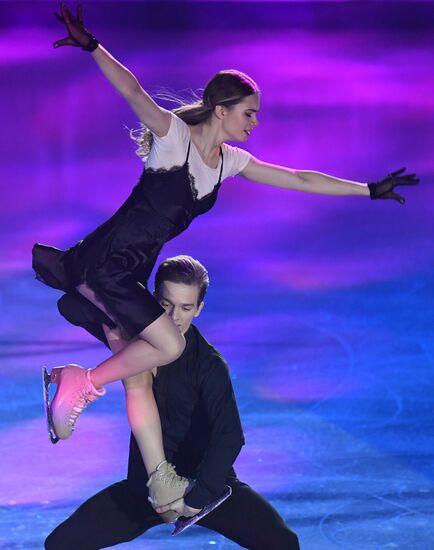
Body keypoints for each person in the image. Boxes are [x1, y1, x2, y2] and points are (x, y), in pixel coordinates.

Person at [33, 3, 419, 518]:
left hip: (131, 270)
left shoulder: (229, 163)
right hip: (107, 264)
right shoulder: (173, 139)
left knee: (140, 370)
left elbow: (301, 178)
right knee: (168, 345)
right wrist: (91, 45)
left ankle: (160, 483)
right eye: (249, 112)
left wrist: (369, 190)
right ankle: (78, 383)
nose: (255, 122)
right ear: (222, 110)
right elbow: (132, 91)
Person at [44, 255, 301, 549]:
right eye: (166, 305)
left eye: (186, 307)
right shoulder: (136, 345)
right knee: (62, 543)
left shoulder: (209, 365)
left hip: (204, 485)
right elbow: (74, 306)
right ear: (153, 299)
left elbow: (229, 436)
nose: (174, 317)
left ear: (199, 309)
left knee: (283, 543)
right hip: (143, 490)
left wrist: (197, 498)